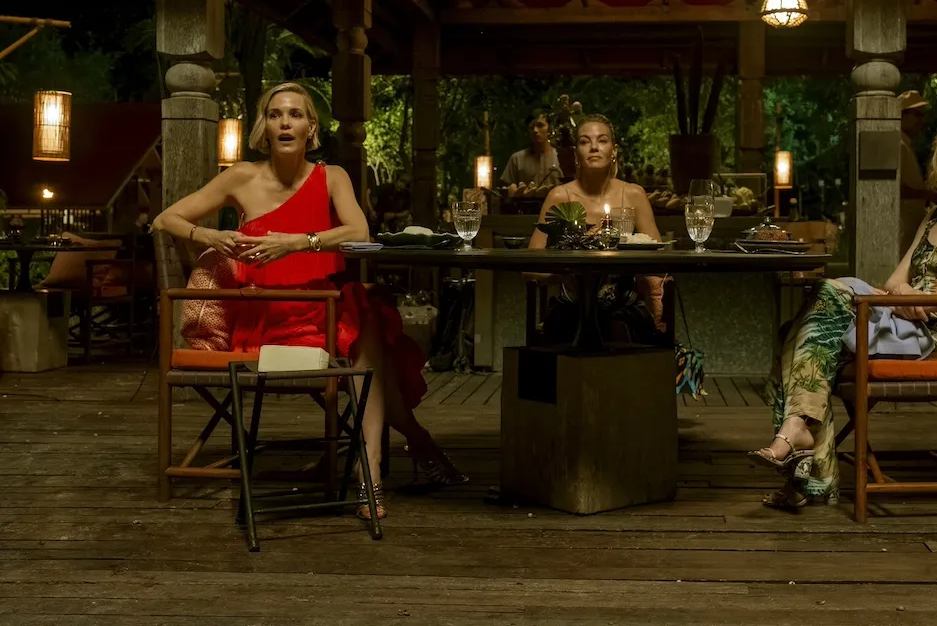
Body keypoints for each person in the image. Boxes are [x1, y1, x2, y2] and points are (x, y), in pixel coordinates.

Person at [153, 82, 466, 520]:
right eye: (276, 114)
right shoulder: (240, 175)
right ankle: (410, 445)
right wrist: (212, 235)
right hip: (266, 318)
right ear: (264, 125)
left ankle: (369, 470)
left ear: (310, 127)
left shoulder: (332, 177)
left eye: (296, 114)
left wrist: (299, 243)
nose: (286, 122)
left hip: (323, 308)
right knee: (365, 332)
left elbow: (359, 233)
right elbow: (166, 217)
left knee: (363, 311)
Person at [749, 109, 937, 511]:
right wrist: (902, 295)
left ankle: (809, 466)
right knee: (810, 324)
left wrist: (924, 299)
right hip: (899, 319)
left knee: (803, 327)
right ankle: (802, 445)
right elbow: (894, 279)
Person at [528, 114, 667, 343]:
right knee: (570, 328)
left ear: (614, 151)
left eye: (602, 140)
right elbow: (530, 268)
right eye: (584, 141)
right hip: (572, 306)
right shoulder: (559, 196)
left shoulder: (633, 194)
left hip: (624, 307)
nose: (593, 147)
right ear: (575, 154)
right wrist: (570, 269)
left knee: (618, 327)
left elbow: (658, 261)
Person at [898, 90, 937, 254]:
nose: (922, 121)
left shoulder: (905, 144)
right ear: (902, 116)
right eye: (918, 115)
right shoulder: (897, 144)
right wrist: (927, 194)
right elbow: (895, 188)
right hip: (902, 225)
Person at [501, 110, 562, 191]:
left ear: (550, 128)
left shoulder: (561, 157)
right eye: (531, 127)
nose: (535, 130)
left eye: (540, 125)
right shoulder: (517, 159)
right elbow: (506, 189)